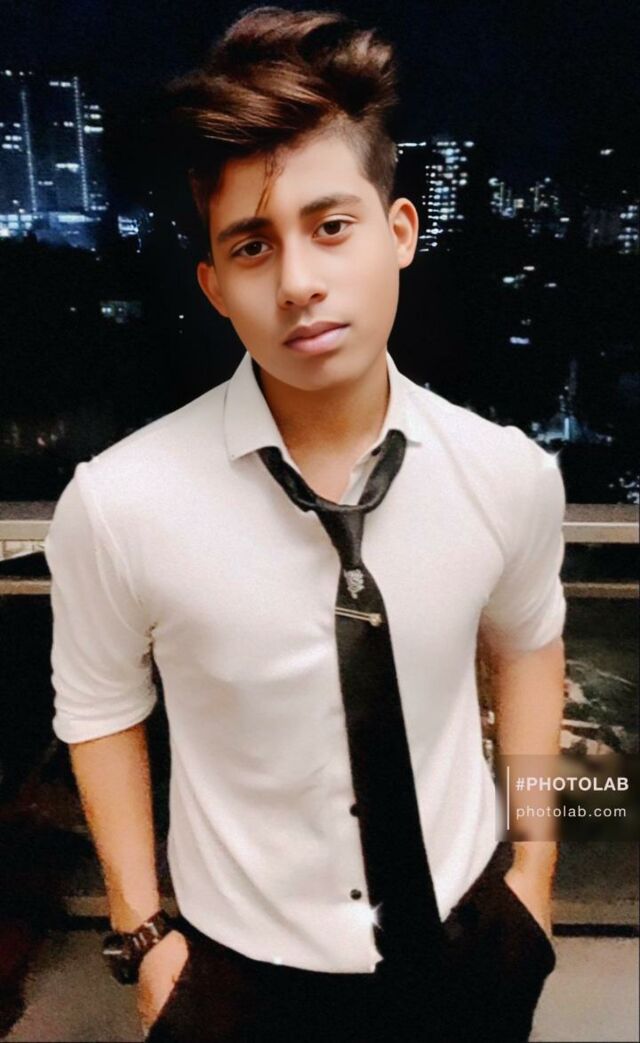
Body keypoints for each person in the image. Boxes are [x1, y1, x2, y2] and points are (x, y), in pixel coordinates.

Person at [44, 6, 567, 1041]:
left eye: (331, 226)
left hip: (472, 938)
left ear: (399, 232)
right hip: (237, 978)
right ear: (215, 286)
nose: (297, 283)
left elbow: (531, 649)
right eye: (253, 245)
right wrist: (143, 933)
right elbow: (99, 706)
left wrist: (538, 867)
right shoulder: (120, 501)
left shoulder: (506, 472)